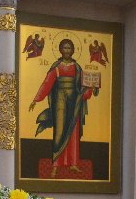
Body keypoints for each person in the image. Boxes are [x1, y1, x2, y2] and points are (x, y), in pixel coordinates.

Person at [29, 39, 99, 177]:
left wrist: (92, 87)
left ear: (73, 50)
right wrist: (36, 99)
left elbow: (83, 88)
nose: (67, 50)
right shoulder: (57, 66)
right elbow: (47, 83)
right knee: (59, 132)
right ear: (60, 50)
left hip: (74, 101)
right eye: (65, 48)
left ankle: (73, 164)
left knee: (73, 132)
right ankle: (56, 164)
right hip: (60, 101)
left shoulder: (77, 68)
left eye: (69, 48)